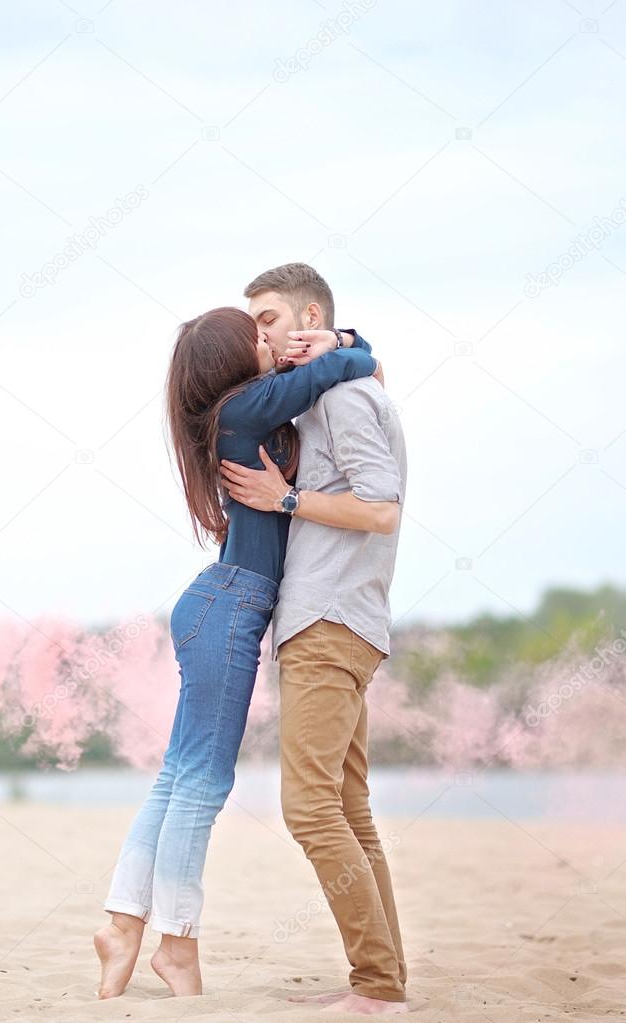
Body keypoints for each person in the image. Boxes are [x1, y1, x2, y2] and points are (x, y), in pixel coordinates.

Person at [93, 305, 385, 999]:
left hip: (218, 606)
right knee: (201, 784)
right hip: (228, 610)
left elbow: (319, 372)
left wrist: (311, 350)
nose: (271, 341)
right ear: (232, 359)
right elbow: (353, 363)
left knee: (177, 776)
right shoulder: (246, 408)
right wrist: (341, 339)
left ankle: (123, 922)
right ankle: (178, 945)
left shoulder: (236, 412)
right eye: (257, 336)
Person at [220, 263, 408, 1014]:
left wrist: (286, 497)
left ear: (305, 315)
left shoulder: (345, 397)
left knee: (309, 809)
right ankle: (384, 979)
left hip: (330, 621)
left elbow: (382, 508)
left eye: (266, 318)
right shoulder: (337, 386)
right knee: (348, 808)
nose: (257, 334)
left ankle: (377, 985)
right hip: (335, 618)